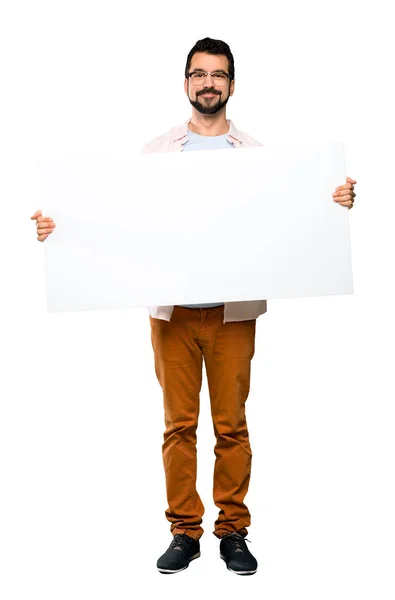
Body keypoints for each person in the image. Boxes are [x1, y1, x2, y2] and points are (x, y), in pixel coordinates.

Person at [30, 37, 357, 576]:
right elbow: (118, 218)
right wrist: (62, 231)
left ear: (232, 84)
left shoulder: (258, 156)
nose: (209, 83)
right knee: (178, 426)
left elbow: (290, 217)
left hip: (232, 314)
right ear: (186, 84)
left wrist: (334, 203)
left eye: (219, 74)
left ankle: (233, 531)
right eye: (199, 74)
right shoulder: (158, 153)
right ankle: (184, 531)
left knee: (232, 426)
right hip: (173, 315)